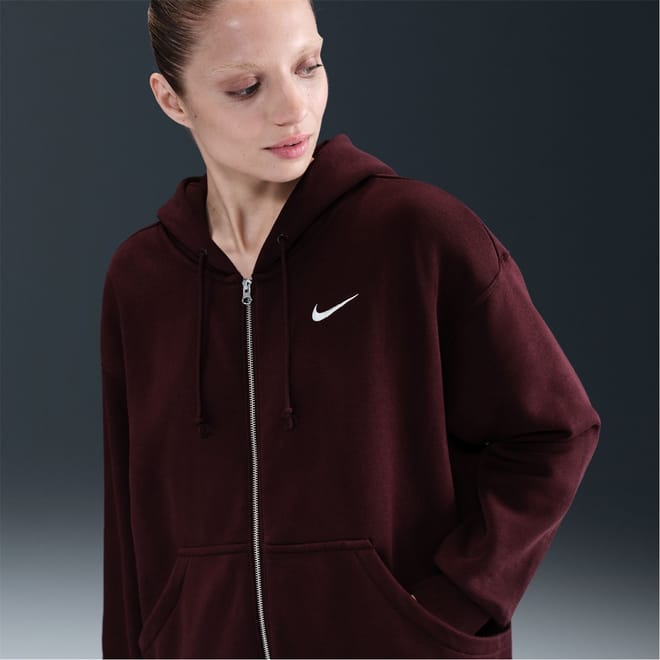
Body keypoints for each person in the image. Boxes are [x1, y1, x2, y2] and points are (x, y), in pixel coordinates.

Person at [100, 0, 601, 658]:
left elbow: (554, 431)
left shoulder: (417, 236)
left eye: (308, 66)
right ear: (173, 100)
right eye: (246, 87)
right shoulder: (143, 279)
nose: (293, 109)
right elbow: (129, 516)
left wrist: (455, 604)